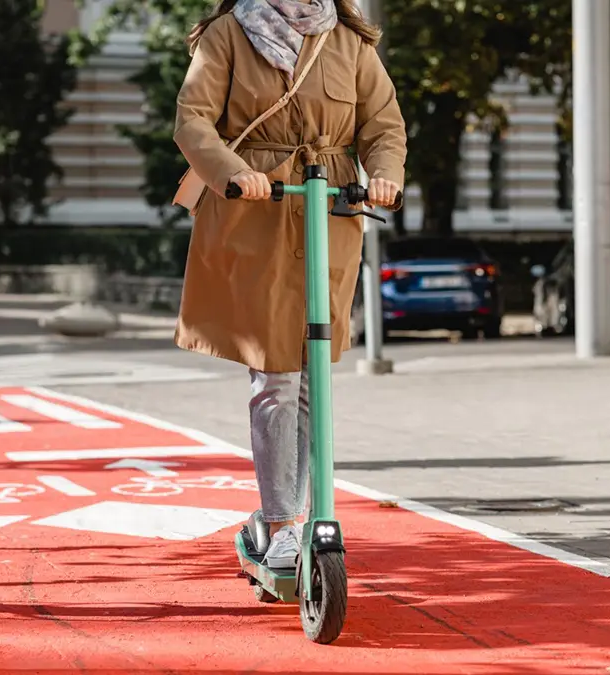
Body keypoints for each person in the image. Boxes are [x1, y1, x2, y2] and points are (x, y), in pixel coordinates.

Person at [172, 0, 407, 569]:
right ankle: (282, 524)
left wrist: (384, 177)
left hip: (330, 213)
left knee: (309, 376)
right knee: (277, 373)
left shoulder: (349, 42)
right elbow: (193, 121)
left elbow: (384, 125)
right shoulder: (228, 34)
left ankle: (290, 515)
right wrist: (235, 173)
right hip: (255, 215)